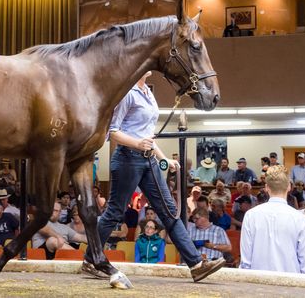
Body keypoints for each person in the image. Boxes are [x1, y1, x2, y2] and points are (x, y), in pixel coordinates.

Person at [84, 71, 225, 282]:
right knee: (114, 212)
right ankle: (90, 259)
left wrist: (164, 159)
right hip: (127, 158)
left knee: (168, 211)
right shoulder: (127, 93)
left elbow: (148, 135)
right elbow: (112, 131)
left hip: (148, 159)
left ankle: (195, 264)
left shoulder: (148, 92)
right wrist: (137, 144)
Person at [240, 165, 305, 274]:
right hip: (291, 284)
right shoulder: (300, 219)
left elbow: (245, 262)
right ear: (289, 186)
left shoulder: (251, 215)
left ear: (266, 187)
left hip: (257, 282)